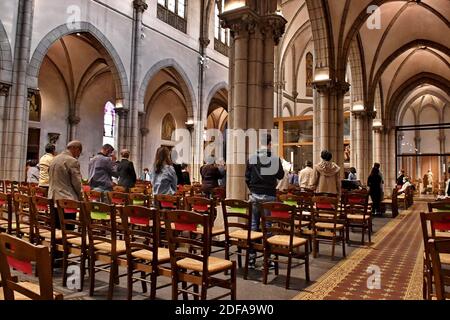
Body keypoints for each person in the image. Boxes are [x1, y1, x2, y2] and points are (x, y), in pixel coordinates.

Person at [245, 134, 284, 269]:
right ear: (269, 143)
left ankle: (251, 259)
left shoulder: (252, 158)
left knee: (253, 226)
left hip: (255, 195)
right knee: (267, 226)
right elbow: (280, 175)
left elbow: (247, 177)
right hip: (269, 194)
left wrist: (253, 189)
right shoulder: (274, 158)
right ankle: (268, 259)